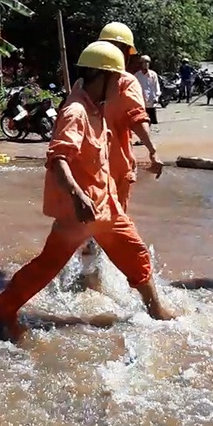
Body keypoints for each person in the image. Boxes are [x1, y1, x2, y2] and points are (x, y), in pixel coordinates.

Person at [0, 42, 177, 361]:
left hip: (105, 208)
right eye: (116, 78)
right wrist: (77, 195)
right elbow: (58, 158)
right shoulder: (76, 111)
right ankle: (0, 312)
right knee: (47, 267)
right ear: (100, 76)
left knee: (132, 255)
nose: (120, 84)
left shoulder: (95, 107)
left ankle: (156, 310)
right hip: (84, 212)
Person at [76, 23, 164, 287]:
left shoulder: (83, 83)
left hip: (87, 167)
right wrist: (152, 150)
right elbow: (137, 118)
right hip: (115, 168)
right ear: (127, 53)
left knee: (88, 224)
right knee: (114, 225)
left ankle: (89, 278)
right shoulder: (126, 81)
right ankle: (106, 281)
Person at [135, 54, 161, 126]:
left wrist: (157, 97)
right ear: (141, 64)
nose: (146, 64)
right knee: (144, 121)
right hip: (141, 102)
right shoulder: (137, 76)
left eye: (147, 62)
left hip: (151, 101)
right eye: (144, 62)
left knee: (152, 121)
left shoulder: (153, 74)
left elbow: (156, 86)